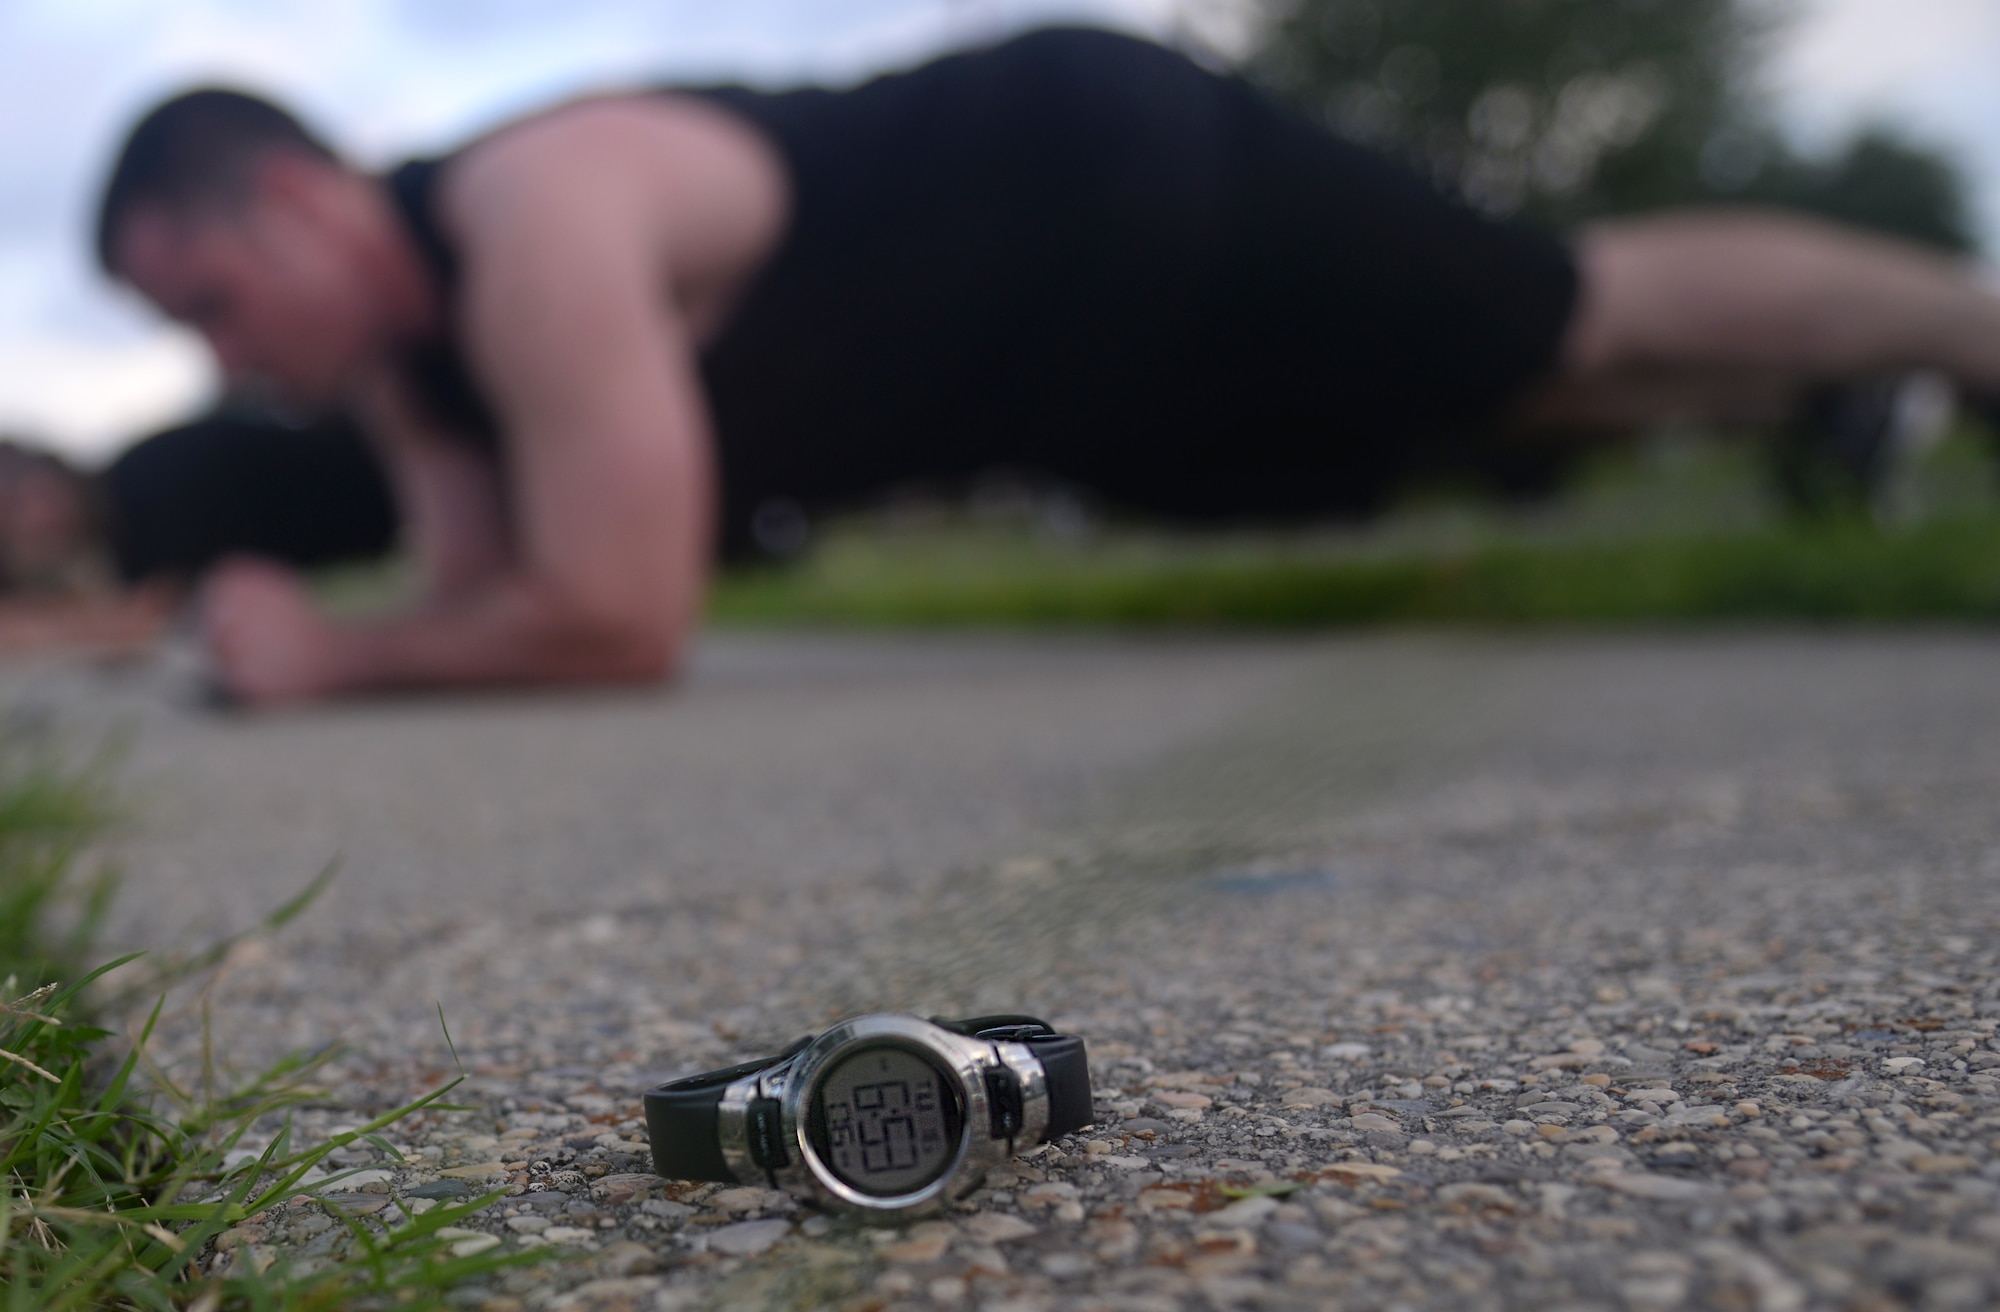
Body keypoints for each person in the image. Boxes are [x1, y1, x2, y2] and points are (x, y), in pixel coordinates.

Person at [89, 26, 2000, 705]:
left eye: (214, 304)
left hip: (1102, 174)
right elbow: (477, 598)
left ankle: (1963, 327)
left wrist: (337, 659)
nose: (228, 360)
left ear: (298, 198)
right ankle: (1822, 396)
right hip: (1060, 382)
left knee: (1567, 309)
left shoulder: (539, 212)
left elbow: (604, 618)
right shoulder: (408, 374)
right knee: (1481, 404)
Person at [0, 411, 393, 658]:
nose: (37, 519)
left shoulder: (143, 481)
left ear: (47, 464)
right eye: (12, 529)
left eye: (22, 496)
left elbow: (140, 624)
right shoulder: (121, 534)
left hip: (391, 480)